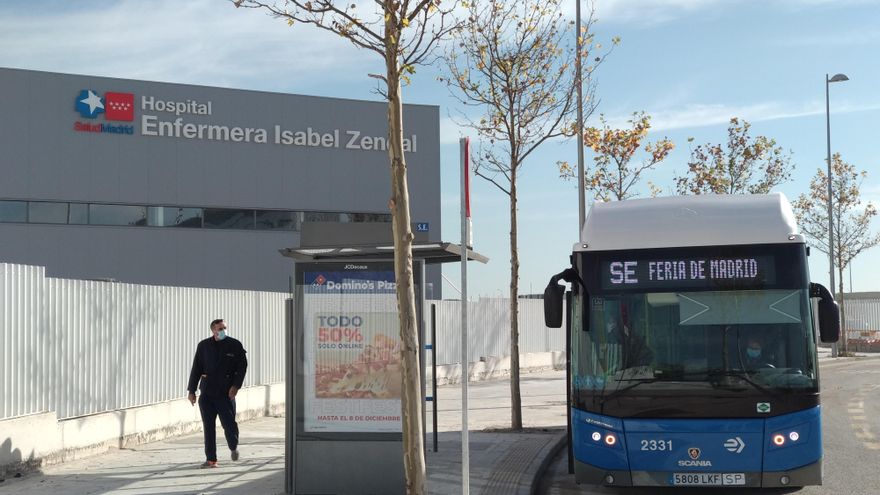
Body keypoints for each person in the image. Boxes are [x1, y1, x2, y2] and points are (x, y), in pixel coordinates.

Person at [187, 318, 248, 468]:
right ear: (213, 330)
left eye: (224, 328)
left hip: (226, 394)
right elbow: (196, 368)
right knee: (208, 427)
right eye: (220, 329)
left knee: (229, 425)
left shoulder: (234, 345)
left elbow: (242, 367)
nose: (223, 331)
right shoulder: (204, 346)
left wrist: (236, 386)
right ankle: (211, 459)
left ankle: (233, 446)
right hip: (207, 393)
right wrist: (191, 390)